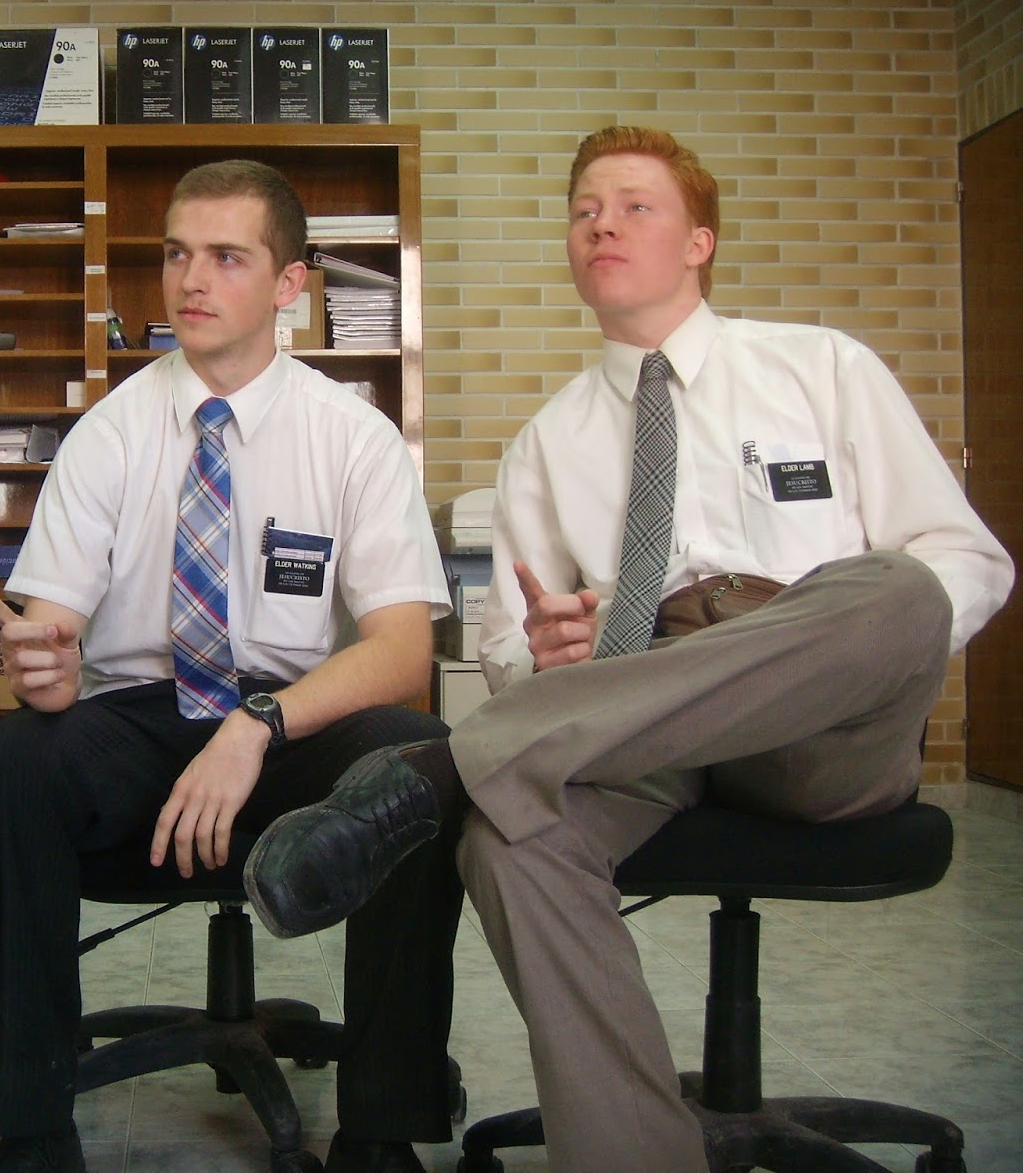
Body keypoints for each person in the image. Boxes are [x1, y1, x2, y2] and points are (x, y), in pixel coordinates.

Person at [244, 125, 1014, 1173]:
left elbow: (967, 562)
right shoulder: (545, 444)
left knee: (899, 589)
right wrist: (551, 655)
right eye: (583, 211)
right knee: (510, 838)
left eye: (634, 207)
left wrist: (825, 642)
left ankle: (441, 772)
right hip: (639, 717)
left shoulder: (820, 368)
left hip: (819, 716)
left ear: (699, 242)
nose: (600, 224)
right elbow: (507, 653)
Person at [0, 159, 463, 1173]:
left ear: (289, 285)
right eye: (177, 254)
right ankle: (32, 1118)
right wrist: (42, 666)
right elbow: (51, 628)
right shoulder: (109, 433)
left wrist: (258, 725)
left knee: (421, 759)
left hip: (289, 725)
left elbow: (403, 650)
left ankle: (382, 1127)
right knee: (11, 762)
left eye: (227, 257)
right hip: (139, 720)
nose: (191, 280)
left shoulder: (351, 437)